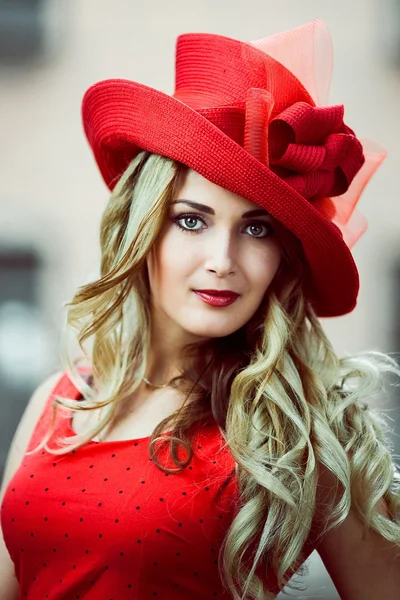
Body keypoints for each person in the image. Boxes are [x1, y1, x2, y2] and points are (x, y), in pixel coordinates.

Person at [1, 18, 399, 600]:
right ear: (143, 231)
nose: (223, 259)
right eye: (192, 220)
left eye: (257, 229)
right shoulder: (56, 400)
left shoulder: (302, 428)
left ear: (282, 259)